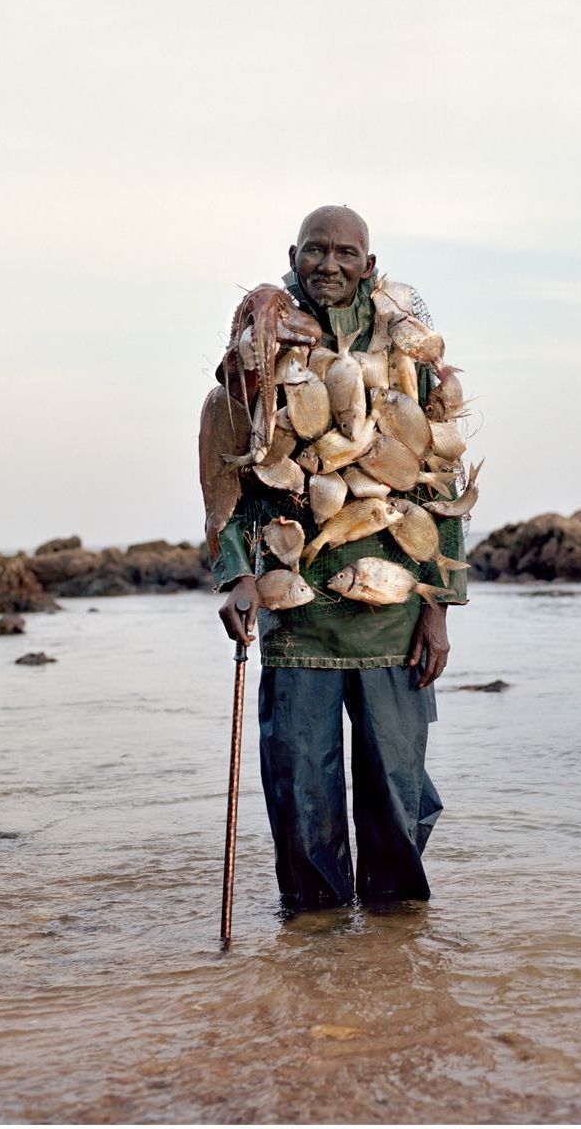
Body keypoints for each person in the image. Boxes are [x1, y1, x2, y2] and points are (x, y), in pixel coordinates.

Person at [203, 205, 467, 911]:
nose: (329, 264)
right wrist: (235, 576)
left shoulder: (410, 354)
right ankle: (313, 950)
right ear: (294, 254)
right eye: (316, 251)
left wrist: (438, 613)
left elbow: (440, 486)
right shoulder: (259, 343)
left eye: (345, 253)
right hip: (298, 617)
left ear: (368, 265)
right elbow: (234, 482)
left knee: (397, 791)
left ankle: (393, 948)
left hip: (394, 614)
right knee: (300, 793)